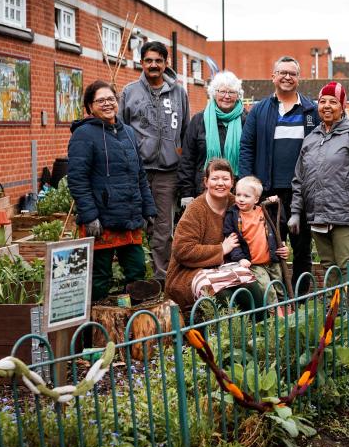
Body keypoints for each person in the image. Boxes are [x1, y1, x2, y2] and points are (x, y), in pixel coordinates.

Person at [68, 80, 156, 302]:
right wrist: (89, 216)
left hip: (129, 216)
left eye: (110, 99)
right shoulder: (83, 135)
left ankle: (134, 322)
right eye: (100, 100)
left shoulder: (127, 132)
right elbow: (78, 180)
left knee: (136, 271)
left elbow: (139, 175)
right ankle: (96, 328)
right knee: (99, 276)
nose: (107, 104)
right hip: (102, 220)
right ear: (89, 106)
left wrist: (148, 209)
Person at [238, 56, 318, 295]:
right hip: (269, 192)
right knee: (271, 248)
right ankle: (277, 300)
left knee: (302, 249)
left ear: (298, 78)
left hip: (301, 192)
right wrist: (247, 184)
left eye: (292, 73)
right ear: (273, 77)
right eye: (282, 72)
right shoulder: (259, 111)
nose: (287, 77)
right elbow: (247, 147)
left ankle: (301, 299)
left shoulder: (310, 110)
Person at [119, 41, 190, 284]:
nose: (153, 65)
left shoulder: (179, 92)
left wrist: (182, 163)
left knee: (163, 229)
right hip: (137, 171)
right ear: (141, 63)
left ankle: (162, 279)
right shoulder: (129, 92)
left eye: (158, 61)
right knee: (136, 224)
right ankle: (136, 279)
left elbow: (186, 130)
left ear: (166, 63)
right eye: (148, 61)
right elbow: (120, 130)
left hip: (168, 172)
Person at [290, 82, 349, 272]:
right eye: (322, 101)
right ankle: (333, 303)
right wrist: (296, 212)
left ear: (342, 106)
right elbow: (299, 179)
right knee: (328, 267)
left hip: (344, 215)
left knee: (348, 267)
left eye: (333, 102)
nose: (327, 106)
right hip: (317, 215)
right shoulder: (311, 139)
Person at [165, 159, 264, 316]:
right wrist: (221, 249)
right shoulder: (196, 210)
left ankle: (260, 334)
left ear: (232, 182)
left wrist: (277, 248)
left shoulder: (237, 202)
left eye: (225, 179)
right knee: (224, 297)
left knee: (252, 289)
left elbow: (258, 226)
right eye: (215, 178)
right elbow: (182, 250)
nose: (220, 183)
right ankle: (228, 338)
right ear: (206, 182)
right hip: (190, 271)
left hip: (226, 267)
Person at [178, 71, 247, 206]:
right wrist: (187, 193)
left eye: (231, 92)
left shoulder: (248, 121)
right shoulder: (198, 120)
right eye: (222, 92)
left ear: (238, 95)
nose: (226, 96)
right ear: (214, 94)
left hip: (238, 193)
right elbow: (187, 159)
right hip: (203, 191)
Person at [223, 176, 289, 311]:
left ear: (256, 199)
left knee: (279, 286)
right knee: (267, 288)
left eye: (246, 196)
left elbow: (280, 223)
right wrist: (240, 258)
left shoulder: (264, 210)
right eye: (238, 194)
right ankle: (275, 315)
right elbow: (233, 241)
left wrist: (276, 204)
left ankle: (286, 309)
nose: (241, 199)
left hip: (271, 259)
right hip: (254, 263)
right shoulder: (233, 216)